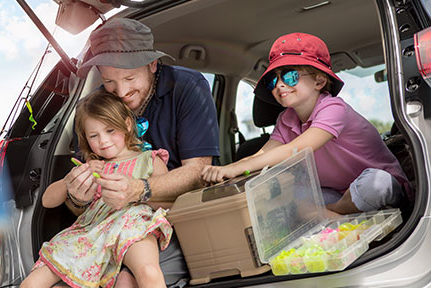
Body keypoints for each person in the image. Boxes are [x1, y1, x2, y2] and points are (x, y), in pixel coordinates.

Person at [64, 18, 220, 287]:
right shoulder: (98, 105)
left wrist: (138, 189)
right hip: (109, 228)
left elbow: (198, 173)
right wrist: (76, 199)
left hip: (175, 219)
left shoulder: (187, 87)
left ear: (152, 64)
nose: (121, 92)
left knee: (130, 279)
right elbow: (83, 203)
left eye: (130, 78)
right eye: (109, 80)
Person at [202, 32, 411, 214]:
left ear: (319, 82)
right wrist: (231, 168)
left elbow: (296, 149)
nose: (280, 85)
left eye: (290, 76)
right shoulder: (286, 120)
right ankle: (336, 214)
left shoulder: (333, 108)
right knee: (292, 195)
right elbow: (263, 155)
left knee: (376, 184)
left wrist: (239, 167)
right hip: (336, 193)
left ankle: (330, 215)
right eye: (273, 80)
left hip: (379, 188)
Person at [21, 91, 173, 288]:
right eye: (94, 135)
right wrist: (69, 181)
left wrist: (136, 192)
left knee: (148, 272)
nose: (103, 141)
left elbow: (168, 200)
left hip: (135, 225)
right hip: (92, 231)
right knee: (31, 284)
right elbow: (46, 201)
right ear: (85, 138)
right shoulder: (90, 168)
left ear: (128, 124)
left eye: (110, 130)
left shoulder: (150, 160)